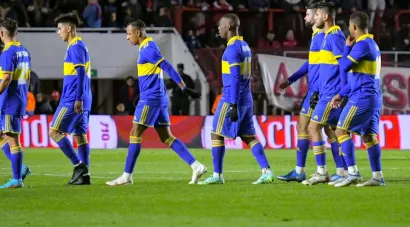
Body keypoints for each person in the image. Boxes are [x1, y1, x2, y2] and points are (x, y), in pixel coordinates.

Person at [106, 19, 206, 186]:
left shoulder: (148, 50)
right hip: (157, 98)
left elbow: (167, 67)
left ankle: (126, 176)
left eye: (128, 34)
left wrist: (183, 87)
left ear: (138, 33)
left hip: (150, 99)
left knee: (134, 133)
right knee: (166, 137)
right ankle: (196, 166)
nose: (127, 37)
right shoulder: (148, 47)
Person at [198, 14, 274, 185]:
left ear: (230, 26)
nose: (218, 28)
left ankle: (217, 175)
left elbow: (235, 78)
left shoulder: (231, 49)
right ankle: (267, 171)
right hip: (246, 98)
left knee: (216, 133)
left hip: (233, 97)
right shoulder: (245, 46)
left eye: (221, 25)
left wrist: (232, 104)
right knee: (249, 136)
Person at [277, 3, 346, 183]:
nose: (307, 18)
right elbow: (312, 64)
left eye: (309, 15)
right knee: (319, 128)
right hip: (318, 89)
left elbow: (341, 65)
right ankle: (338, 170)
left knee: (318, 128)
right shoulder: (319, 36)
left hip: (322, 90)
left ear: (319, 16)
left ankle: (333, 170)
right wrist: (291, 79)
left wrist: (343, 91)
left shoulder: (326, 36)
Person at [330, 11, 385, 187]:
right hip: (372, 96)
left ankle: (352, 172)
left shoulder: (362, 44)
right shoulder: (372, 44)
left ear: (353, 27)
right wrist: (340, 94)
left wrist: (346, 48)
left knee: (340, 131)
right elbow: (357, 76)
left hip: (362, 97)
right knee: (369, 137)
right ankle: (377, 176)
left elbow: (344, 66)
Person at [302, 2, 347, 186]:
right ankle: (344, 170)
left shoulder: (334, 36)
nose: (316, 18)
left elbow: (343, 66)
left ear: (325, 17)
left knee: (313, 128)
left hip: (332, 94)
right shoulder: (326, 36)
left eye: (318, 15)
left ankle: (322, 171)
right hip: (326, 92)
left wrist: (342, 92)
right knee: (334, 131)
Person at [49, 13, 92, 185]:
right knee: (80, 136)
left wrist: (77, 98)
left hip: (73, 98)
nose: (58, 32)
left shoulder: (75, 46)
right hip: (82, 98)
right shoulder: (79, 46)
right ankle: (85, 176)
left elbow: (80, 72)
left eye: (60, 29)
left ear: (68, 28)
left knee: (54, 132)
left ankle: (78, 165)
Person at [0, 18, 32, 188]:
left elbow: (6, 79)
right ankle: (21, 168)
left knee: (13, 140)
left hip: (9, 102)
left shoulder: (8, 52)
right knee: (2, 135)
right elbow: (28, 78)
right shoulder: (24, 51)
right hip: (18, 99)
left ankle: (17, 178)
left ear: (1, 34)